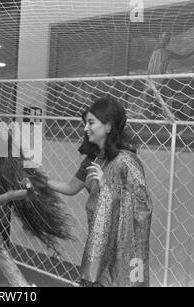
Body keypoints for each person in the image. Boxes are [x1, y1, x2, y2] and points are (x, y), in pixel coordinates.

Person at [47, 97, 153, 287]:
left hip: (121, 249)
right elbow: (71, 188)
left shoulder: (127, 161)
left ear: (108, 127)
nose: (86, 128)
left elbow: (142, 207)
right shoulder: (94, 159)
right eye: (85, 123)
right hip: (98, 240)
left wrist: (107, 189)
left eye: (91, 122)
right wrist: (41, 182)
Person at [140, 32, 194, 119]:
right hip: (157, 81)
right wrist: (192, 53)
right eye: (166, 39)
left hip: (151, 81)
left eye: (167, 38)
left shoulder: (158, 52)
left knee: (155, 98)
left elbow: (180, 57)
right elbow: (181, 57)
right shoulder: (164, 53)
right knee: (165, 97)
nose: (167, 41)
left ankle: (155, 116)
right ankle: (167, 117)